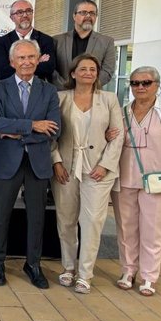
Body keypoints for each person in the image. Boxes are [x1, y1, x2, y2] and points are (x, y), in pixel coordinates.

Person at [0, 39, 60, 289]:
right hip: (6, 161)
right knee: (1, 215)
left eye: (31, 57)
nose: (27, 62)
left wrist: (16, 130)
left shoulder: (49, 90)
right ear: (12, 62)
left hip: (37, 162)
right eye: (21, 58)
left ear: (39, 60)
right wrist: (32, 125)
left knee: (37, 217)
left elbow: (54, 129)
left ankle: (33, 264)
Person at [51, 54, 124, 294]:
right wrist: (57, 162)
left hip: (97, 170)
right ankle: (68, 268)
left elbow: (118, 135)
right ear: (73, 73)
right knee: (66, 220)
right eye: (83, 69)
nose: (88, 73)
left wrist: (105, 165)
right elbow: (50, 133)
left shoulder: (109, 99)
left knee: (92, 221)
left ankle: (85, 274)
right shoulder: (60, 98)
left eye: (93, 69)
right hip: (66, 169)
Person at [112, 66, 161, 296]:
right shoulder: (122, 112)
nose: (140, 87)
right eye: (135, 83)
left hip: (158, 181)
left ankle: (149, 276)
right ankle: (128, 270)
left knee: (153, 231)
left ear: (157, 85)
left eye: (146, 83)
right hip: (125, 178)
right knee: (126, 228)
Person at [52, 0, 116, 91]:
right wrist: (66, 86)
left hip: (92, 96)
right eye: (83, 12)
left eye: (92, 13)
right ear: (74, 16)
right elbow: (52, 70)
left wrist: (86, 87)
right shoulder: (57, 40)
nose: (88, 16)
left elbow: (107, 71)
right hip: (62, 94)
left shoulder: (107, 41)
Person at [0, 0, 56, 82]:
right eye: (20, 12)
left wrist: (16, 64)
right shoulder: (2, 42)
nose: (25, 15)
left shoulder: (46, 40)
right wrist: (37, 62)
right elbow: (4, 71)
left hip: (37, 89)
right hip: (9, 90)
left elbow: (48, 68)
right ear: (12, 18)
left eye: (28, 11)